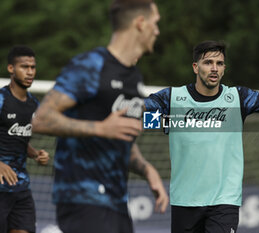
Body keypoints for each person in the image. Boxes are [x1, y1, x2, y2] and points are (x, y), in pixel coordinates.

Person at [144, 25, 259, 233]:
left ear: (224, 69)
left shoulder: (238, 99)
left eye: (219, 63)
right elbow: (140, 116)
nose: (214, 68)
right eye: (208, 62)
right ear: (195, 67)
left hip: (223, 203)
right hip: (184, 201)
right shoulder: (172, 100)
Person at [31, 0, 168, 233]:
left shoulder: (133, 77)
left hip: (116, 201)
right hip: (83, 197)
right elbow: (41, 119)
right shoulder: (91, 65)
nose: (157, 30)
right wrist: (100, 128)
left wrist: (147, 170)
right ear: (140, 23)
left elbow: (117, 133)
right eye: (155, 23)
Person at [0, 45, 50, 233]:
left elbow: (18, 138)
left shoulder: (33, 104)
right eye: (24, 67)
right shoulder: (1, 99)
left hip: (21, 189)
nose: (30, 72)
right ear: (11, 69)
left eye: (33, 67)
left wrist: (36, 154)